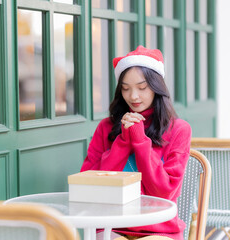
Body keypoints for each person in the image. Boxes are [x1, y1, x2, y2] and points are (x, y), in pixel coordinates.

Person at [81, 46, 191, 240]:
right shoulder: (106, 128)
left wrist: (140, 140)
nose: (133, 96)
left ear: (157, 87)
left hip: (159, 229)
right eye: (125, 88)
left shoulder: (179, 130)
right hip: (110, 225)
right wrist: (123, 141)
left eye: (142, 88)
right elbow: (92, 185)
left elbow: (163, 192)